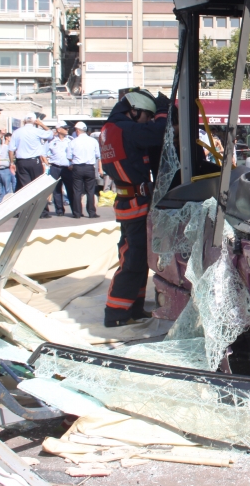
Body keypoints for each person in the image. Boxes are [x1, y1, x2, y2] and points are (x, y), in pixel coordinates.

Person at [100, 88, 169, 327]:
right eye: (146, 116)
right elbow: (157, 133)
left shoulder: (110, 129)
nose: (147, 121)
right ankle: (116, 314)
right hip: (134, 202)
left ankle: (133, 308)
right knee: (132, 258)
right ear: (134, 111)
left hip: (130, 201)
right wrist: (162, 112)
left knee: (138, 258)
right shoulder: (123, 129)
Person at [9, 112, 54, 218]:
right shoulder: (37, 131)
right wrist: (41, 124)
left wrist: (11, 162)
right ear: (34, 121)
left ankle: (20, 210)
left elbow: (11, 149)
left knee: (22, 186)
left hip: (21, 161)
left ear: (24, 121)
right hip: (35, 161)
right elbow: (51, 134)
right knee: (38, 186)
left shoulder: (17, 132)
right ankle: (42, 211)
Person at [68, 122, 101, 219]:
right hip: (89, 167)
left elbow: (69, 157)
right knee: (90, 191)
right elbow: (97, 155)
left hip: (77, 167)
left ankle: (77, 213)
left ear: (77, 130)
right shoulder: (93, 141)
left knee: (77, 191)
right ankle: (91, 212)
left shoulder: (73, 142)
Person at [47, 127, 74, 215]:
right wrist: (46, 162)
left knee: (70, 189)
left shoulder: (70, 140)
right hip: (55, 167)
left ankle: (75, 210)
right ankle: (59, 210)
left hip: (67, 168)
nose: (67, 129)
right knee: (56, 190)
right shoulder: (52, 141)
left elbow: (75, 153)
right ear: (58, 130)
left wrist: (73, 164)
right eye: (64, 128)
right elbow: (45, 153)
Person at [0, 132, 16, 198]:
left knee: (12, 183)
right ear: (7, 138)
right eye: (10, 137)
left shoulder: (8, 147)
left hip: (7, 168)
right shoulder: (4, 147)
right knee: (6, 188)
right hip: (4, 168)